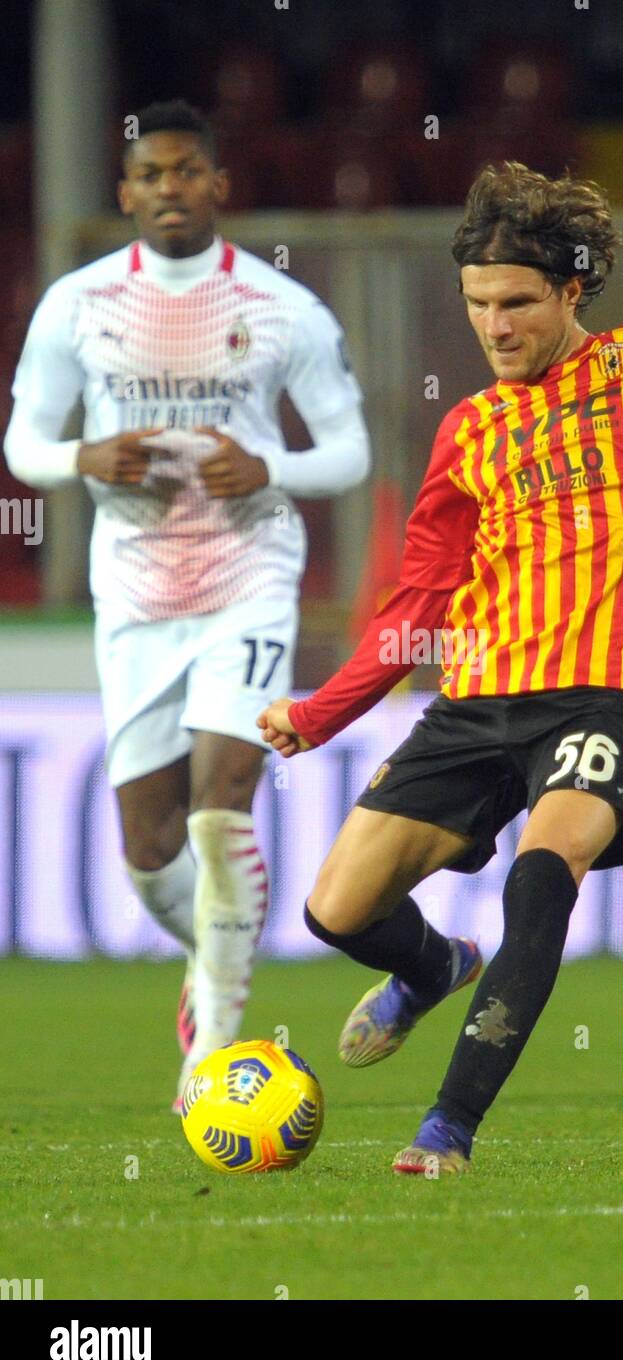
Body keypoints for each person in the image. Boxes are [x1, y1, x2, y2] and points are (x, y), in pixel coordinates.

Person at [257, 160, 623, 1174]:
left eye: (517, 303)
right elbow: (415, 607)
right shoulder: (470, 431)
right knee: (335, 909)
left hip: (610, 700)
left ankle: (446, 1129)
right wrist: (320, 716)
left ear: (571, 289)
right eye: (478, 305)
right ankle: (434, 965)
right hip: (480, 704)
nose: (494, 327)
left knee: (542, 874)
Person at [4, 99, 370, 1108]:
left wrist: (273, 466)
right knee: (149, 851)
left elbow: (349, 451)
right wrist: (83, 455)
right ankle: (210, 957)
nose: (170, 188)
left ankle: (211, 1049)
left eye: (187, 171)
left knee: (219, 813)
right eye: (151, 175)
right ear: (126, 192)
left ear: (218, 184)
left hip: (249, 574)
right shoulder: (77, 305)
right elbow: (23, 444)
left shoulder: (281, 307)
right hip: (132, 589)